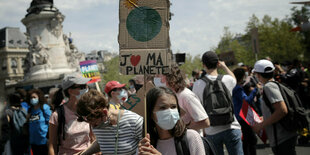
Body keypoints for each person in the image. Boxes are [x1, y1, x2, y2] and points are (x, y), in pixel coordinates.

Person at [192, 51, 243, 155]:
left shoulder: (198, 84)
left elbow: (198, 107)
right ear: (217, 63)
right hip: (231, 126)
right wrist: (224, 67)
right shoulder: (227, 80)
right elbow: (234, 78)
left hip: (212, 130)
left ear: (203, 65)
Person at [139, 87, 205, 155]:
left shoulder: (191, 137)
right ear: (151, 113)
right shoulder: (147, 145)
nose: (170, 112)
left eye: (173, 107)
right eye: (163, 108)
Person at [76, 89, 143, 154]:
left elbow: (148, 148)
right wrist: (84, 153)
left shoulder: (135, 122)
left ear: (104, 112)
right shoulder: (97, 124)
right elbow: (101, 142)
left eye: (95, 123)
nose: (93, 127)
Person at [252, 59, 297, 155]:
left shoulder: (269, 87)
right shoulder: (273, 84)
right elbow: (275, 109)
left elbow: (282, 110)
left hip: (281, 138)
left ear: (258, 75)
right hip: (283, 136)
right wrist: (265, 117)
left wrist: (261, 125)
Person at [48, 74, 95, 155]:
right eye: (82, 87)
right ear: (70, 91)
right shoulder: (57, 115)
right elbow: (52, 144)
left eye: (86, 86)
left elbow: (93, 138)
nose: (86, 89)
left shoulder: (88, 110)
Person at [160, 65, 209, 134]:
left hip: (191, 141)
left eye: (162, 77)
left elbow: (205, 122)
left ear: (171, 79)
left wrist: (183, 129)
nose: (160, 80)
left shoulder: (186, 96)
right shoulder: (172, 94)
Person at [233, 68, 260, 155]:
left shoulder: (235, 87)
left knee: (246, 140)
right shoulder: (238, 89)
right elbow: (247, 100)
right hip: (242, 117)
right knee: (250, 140)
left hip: (239, 116)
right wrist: (255, 90)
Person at [27, 89, 52, 155]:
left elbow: (50, 122)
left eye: (34, 97)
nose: (32, 99)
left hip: (44, 141)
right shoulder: (30, 110)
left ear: (39, 97)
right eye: (31, 97)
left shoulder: (45, 108)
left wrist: (50, 138)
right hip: (33, 141)